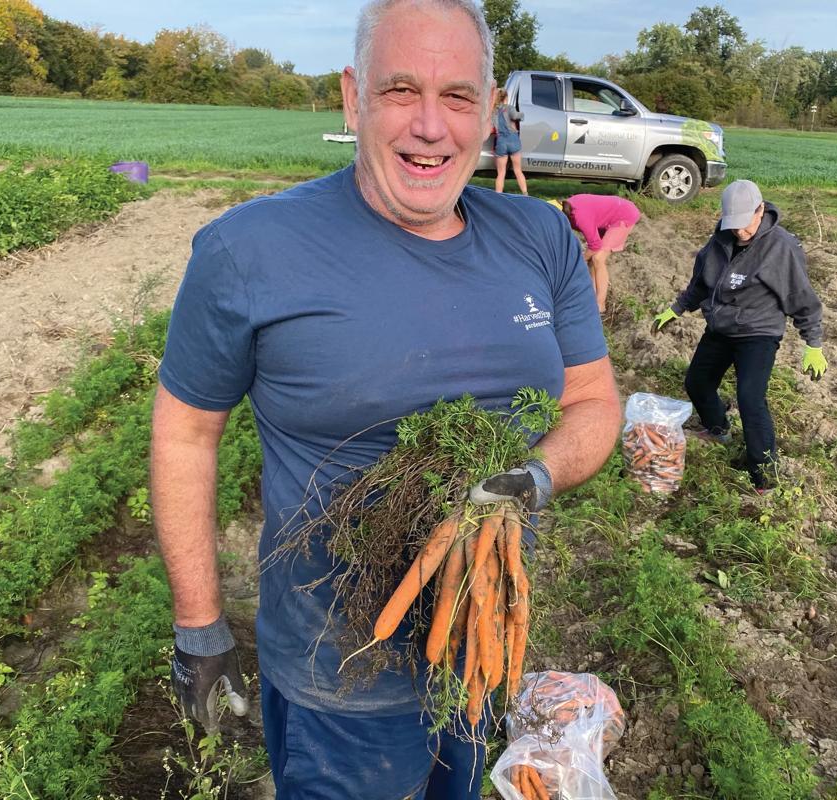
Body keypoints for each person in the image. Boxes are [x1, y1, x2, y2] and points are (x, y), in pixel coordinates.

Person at [150, 1, 622, 798]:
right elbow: (185, 436)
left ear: (492, 111)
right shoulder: (248, 248)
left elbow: (593, 402)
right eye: (402, 90)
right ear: (352, 97)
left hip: (482, 649)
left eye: (460, 97)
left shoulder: (540, 238)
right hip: (338, 675)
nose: (431, 127)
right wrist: (198, 626)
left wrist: (527, 479)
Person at [651, 179, 826, 493]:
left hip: (758, 332)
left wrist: (812, 343)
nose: (740, 231)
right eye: (733, 224)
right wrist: (677, 308)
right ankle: (718, 428)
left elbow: (801, 297)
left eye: (745, 224)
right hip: (721, 327)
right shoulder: (719, 241)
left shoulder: (780, 247)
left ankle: (765, 478)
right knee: (696, 382)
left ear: (760, 210)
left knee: (750, 398)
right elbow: (701, 284)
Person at [551, 194, 641, 313]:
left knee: (598, 258)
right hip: (605, 218)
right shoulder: (568, 211)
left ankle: (600, 305)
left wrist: (581, 259)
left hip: (624, 215)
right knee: (592, 260)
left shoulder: (579, 216)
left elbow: (595, 245)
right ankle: (592, 299)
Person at [492, 87, 527, 194]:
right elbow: (515, 116)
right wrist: (522, 114)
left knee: (501, 173)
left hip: (501, 141)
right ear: (506, 97)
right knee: (518, 170)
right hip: (513, 140)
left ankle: (498, 195)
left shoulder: (493, 111)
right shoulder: (510, 108)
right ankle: (526, 194)